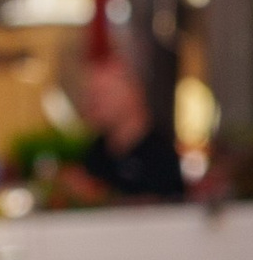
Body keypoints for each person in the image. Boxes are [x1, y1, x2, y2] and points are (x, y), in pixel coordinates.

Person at [68, 41, 187, 200]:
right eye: (91, 95)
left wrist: (99, 196)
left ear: (134, 92)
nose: (93, 103)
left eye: (103, 93)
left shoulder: (160, 154)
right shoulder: (95, 153)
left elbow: (162, 212)